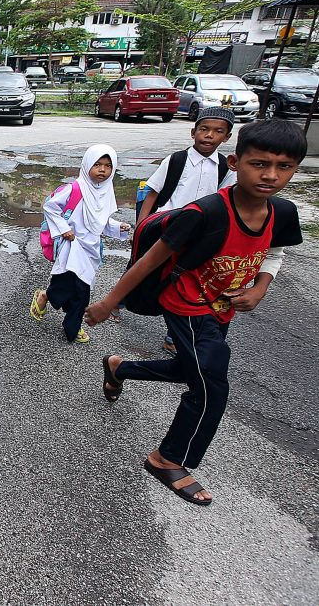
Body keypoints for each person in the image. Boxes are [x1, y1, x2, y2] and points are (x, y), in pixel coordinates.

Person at [85, 119, 306, 506]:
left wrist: (260, 287)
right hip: (186, 305)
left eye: (283, 167)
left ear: (295, 170)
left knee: (190, 369)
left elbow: (275, 252)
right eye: (259, 164)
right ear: (235, 163)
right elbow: (148, 262)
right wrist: (109, 302)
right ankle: (166, 458)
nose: (270, 175)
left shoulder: (283, 213)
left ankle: (120, 367)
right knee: (210, 387)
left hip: (224, 309)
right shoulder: (204, 213)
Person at [134, 106, 240, 353]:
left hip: (200, 234)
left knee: (185, 280)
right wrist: (141, 226)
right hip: (166, 227)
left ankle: (173, 335)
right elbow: (153, 192)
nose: (209, 135)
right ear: (193, 132)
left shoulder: (225, 168)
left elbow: (227, 202)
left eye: (217, 131)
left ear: (227, 137)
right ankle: (121, 302)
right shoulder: (177, 160)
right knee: (145, 267)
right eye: (204, 129)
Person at [30, 144, 131, 343]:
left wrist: (118, 227)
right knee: (67, 286)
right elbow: (50, 208)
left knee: (81, 291)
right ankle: (51, 302)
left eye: (108, 166)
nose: (102, 170)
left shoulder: (105, 193)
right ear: (86, 165)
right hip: (71, 246)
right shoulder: (74, 189)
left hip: (90, 250)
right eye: (97, 164)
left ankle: (69, 322)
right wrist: (63, 228)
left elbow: (98, 222)